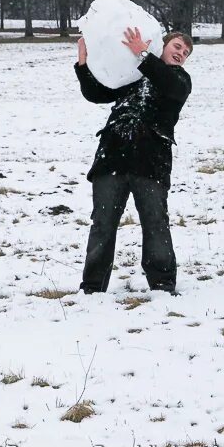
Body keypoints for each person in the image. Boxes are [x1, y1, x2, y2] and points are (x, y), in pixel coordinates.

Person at [75, 28, 193, 295]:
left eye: (185, 53)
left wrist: (141, 53)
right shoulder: (134, 74)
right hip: (111, 159)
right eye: (176, 46)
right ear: (163, 46)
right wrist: (83, 63)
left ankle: (162, 285)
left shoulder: (180, 80)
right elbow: (97, 93)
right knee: (102, 224)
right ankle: (92, 287)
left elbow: (167, 84)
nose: (181, 54)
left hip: (150, 164)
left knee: (155, 223)